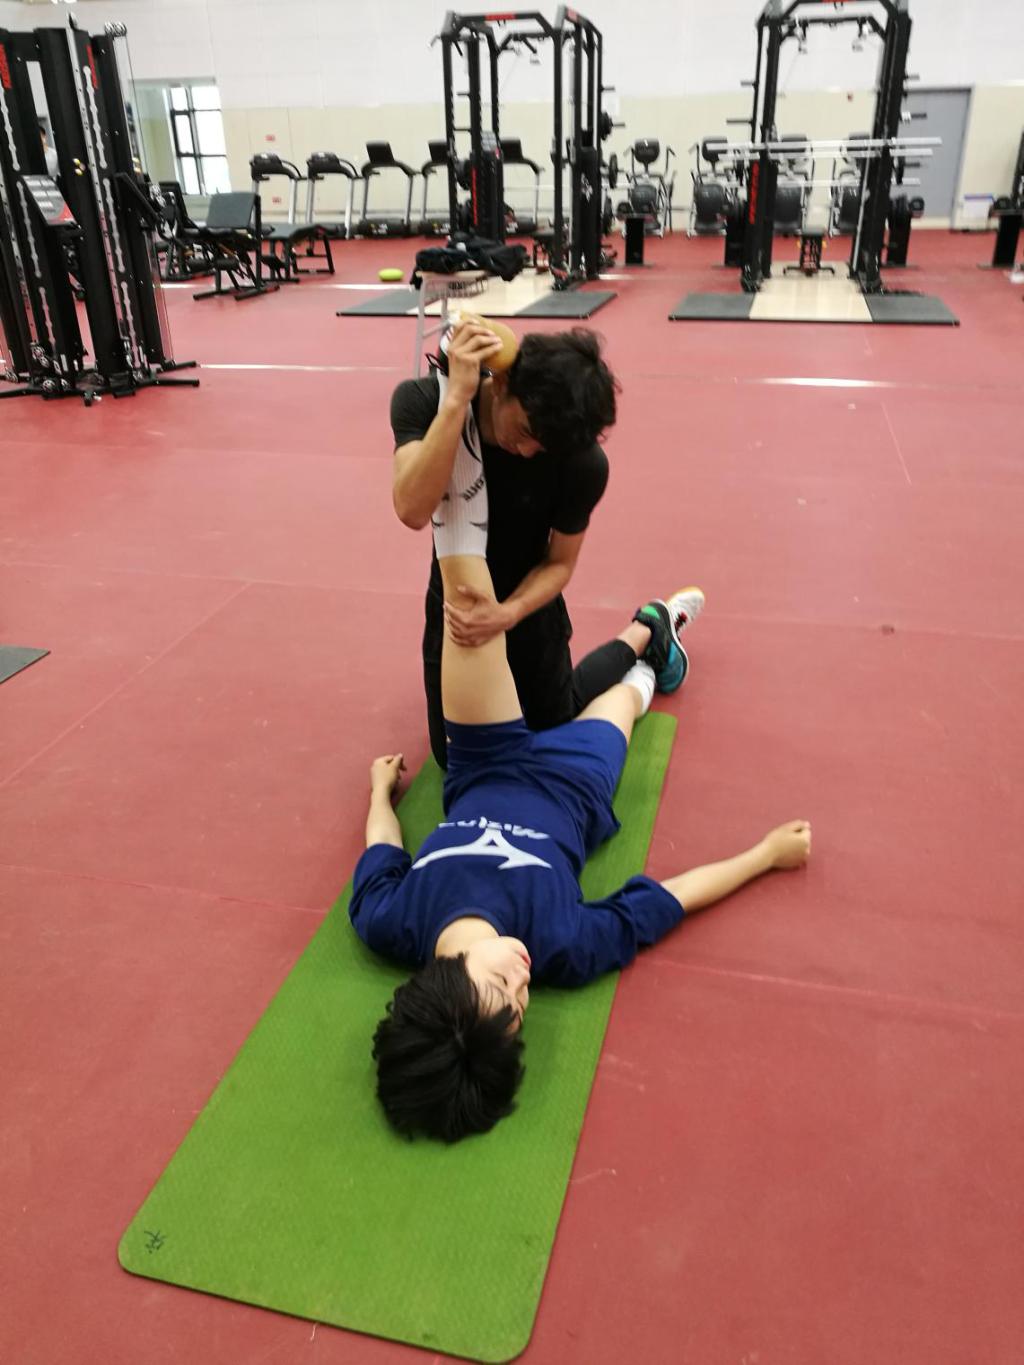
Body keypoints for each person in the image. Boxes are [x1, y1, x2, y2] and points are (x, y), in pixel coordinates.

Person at [350, 445, 812, 1144]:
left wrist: (380, 792)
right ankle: (652, 639)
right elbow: (668, 900)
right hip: (575, 786)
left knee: (466, 604)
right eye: (521, 1008)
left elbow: (383, 852)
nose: (523, 982)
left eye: (502, 989)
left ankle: (458, 410)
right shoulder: (562, 946)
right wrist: (765, 855)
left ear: (446, 984)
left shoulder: (392, 922)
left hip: (481, 763)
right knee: (622, 701)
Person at [391, 317, 625, 768]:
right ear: (501, 384)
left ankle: (646, 634)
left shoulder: (581, 461)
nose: (529, 451)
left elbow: (560, 563)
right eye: (525, 431)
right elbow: (412, 510)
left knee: (554, 737)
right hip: (456, 612)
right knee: (451, 759)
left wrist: (509, 613)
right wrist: (456, 401)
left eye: (545, 447)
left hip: (527, 611)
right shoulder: (423, 401)